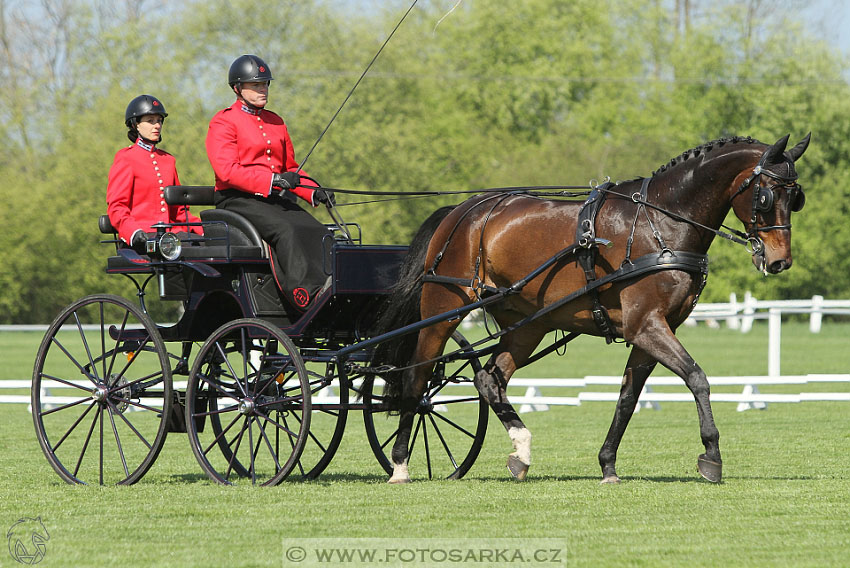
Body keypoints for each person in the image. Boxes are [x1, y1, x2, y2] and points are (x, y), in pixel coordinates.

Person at [205, 54, 334, 310]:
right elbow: (227, 170)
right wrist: (273, 179)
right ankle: (304, 294)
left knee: (318, 230)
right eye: (256, 85)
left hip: (273, 198)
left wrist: (313, 192)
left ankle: (331, 286)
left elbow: (291, 170)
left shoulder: (276, 121)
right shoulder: (224, 121)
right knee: (288, 230)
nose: (263, 89)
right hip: (237, 198)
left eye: (265, 84)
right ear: (238, 88)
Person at [107, 94, 203, 250]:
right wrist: (133, 232)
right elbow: (117, 207)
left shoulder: (168, 160)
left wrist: (204, 229)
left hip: (172, 234)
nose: (157, 126)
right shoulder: (126, 158)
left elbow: (179, 211)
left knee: (213, 248)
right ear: (135, 124)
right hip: (143, 236)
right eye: (150, 121)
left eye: (159, 121)